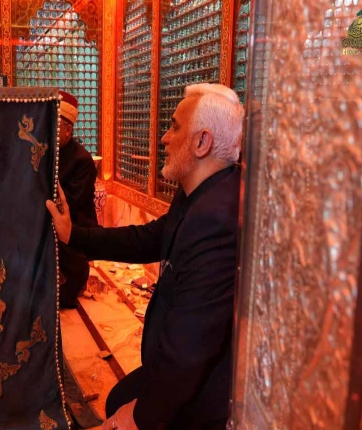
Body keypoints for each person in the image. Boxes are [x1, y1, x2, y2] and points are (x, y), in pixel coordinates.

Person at [47, 83, 245, 429]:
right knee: (116, 399)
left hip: (205, 393)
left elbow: (189, 350)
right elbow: (147, 238)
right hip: (182, 366)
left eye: (174, 127)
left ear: (202, 142)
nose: (164, 138)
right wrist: (72, 235)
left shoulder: (217, 219)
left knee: (122, 408)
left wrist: (140, 417)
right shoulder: (199, 192)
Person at [56, 90, 99, 309]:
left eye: (54, 126)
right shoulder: (48, 154)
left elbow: (72, 203)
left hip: (76, 229)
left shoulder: (82, 160)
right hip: (53, 222)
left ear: (68, 130)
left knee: (64, 297)